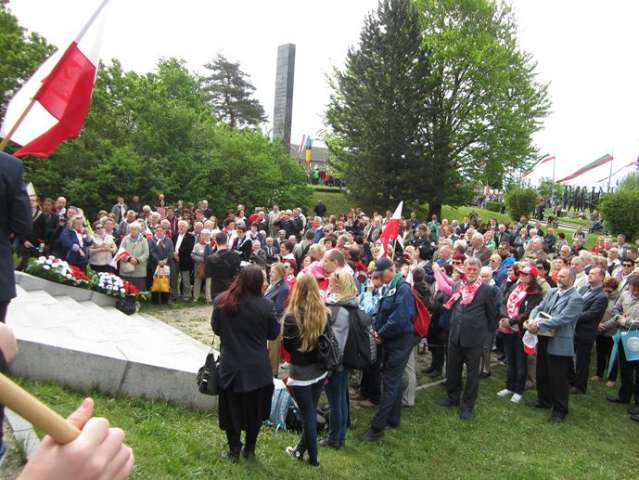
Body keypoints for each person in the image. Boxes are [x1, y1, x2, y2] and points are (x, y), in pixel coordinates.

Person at [212, 266, 279, 462]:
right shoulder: (266, 305)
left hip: (231, 365)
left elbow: (216, 328)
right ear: (256, 282)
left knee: (231, 409)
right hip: (257, 368)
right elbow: (273, 333)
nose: (266, 283)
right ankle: (249, 448)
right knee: (254, 411)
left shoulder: (222, 301)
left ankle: (234, 449)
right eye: (264, 279)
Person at [360, 257, 416, 441]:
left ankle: (377, 428)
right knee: (394, 381)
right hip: (392, 341)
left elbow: (399, 319)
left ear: (391, 270)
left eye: (381, 273)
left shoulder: (403, 289)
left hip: (399, 342)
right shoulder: (392, 286)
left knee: (390, 383)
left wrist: (380, 334)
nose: (379, 277)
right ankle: (393, 418)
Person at [438, 258, 497, 420]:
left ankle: (468, 405)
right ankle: (453, 398)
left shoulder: (487, 290)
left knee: (472, 375)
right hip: (455, 336)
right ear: (464, 269)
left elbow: (492, 315)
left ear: (478, 271)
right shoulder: (457, 285)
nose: (471, 272)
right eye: (468, 269)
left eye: (474, 270)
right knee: (452, 369)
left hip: (474, 339)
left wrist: (486, 337)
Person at [282, 273, 329, 467]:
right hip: (319, 369)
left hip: (301, 371)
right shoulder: (324, 313)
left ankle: (314, 459)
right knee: (310, 411)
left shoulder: (292, 316)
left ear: (297, 290)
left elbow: (289, 347)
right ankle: (300, 450)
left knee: (308, 415)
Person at [527, 267, 585, 422]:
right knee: (542, 371)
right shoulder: (552, 292)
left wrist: (539, 325)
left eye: (563, 276)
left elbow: (563, 319)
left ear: (572, 279)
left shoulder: (576, 299)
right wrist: (533, 320)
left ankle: (560, 410)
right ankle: (544, 400)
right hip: (544, 338)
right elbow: (538, 308)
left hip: (560, 341)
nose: (559, 278)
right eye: (558, 276)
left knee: (558, 378)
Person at [497, 265, 543, 403]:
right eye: (521, 274)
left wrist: (510, 322)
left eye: (526, 275)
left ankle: (519, 390)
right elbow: (505, 302)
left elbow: (528, 312)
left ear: (533, 278)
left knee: (520, 362)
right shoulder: (515, 287)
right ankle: (510, 386)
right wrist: (504, 318)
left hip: (520, 332)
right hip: (508, 329)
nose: (522, 276)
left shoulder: (535, 293)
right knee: (510, 360)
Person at [323, 270, 356, 449]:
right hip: (346, 359)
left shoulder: (336, 309)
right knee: (341, 399)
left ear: (337, 285)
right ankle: (339, 436)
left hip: (335, 361)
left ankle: (335, 438)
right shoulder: (352, 304)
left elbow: (332, 339)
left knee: (335, 401)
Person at [570, 266, 608, 394]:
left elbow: (591, 314)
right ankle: (571, 380)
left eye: (593, 274)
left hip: (585, 332)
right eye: (589, 273)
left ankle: (580, 386)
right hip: (574, 329)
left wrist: (571, 315)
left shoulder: (602, 296)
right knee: (570, 356)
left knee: (582, 360)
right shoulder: (583, 288)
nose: (589, 275)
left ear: (601, 278)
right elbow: (573, 302)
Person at [605, 274, 639, 415]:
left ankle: (638, 402)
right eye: (633, 288)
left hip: (636, 337)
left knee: (638, 372)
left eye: (638, 289)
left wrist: (625, 322)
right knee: (624, 367)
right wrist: (618, 317)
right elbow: (615, 309)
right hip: (624, 335)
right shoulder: (625, 294)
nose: (635, 291)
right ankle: (624, 395)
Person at [264, 263, 290, 376]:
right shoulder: (273, 284)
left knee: (273, 350)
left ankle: (273, 373)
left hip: (275, 321)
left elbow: (278, 308)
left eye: (273, 271)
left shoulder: (283, 288)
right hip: (268, 319)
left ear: (280, 273)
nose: (270, 273)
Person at [594, 277, 620, 387]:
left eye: (609, 291)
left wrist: (605, 325)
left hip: (612, 332)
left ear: (615, 290)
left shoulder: (618, 299)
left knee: (612, 356)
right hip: (599, 330)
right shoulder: (601, 298)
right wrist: (598, 324)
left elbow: (617, 316)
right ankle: (599, 374)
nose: (607, 293)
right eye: (605, 289)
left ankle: (611, 378)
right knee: (600, 353)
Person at [206, 232, 242, 300]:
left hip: (216, 289)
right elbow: (237, 274)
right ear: (227, 241)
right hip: (231, 288)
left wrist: (208, 296)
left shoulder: (210, 258)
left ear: (215, 241)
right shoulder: (235, 255)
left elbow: (208, 277)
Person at [119, 222, 149, 291]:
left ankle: (137, 301)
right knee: (125, 289)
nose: (133, 231)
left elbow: (146, 254)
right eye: (131, 229)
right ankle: (124, 301)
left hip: (139, 270)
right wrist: (129, 259)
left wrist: (138, 260)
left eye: (135, 229)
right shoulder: (125, 239)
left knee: (138, 289)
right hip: (126, 269)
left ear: (139, 230)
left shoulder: (144, 240)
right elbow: (121, 252)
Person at [172, 220, 195, 301]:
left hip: (185, 260)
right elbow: (172, 246)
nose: (181, 227)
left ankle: (186, 295)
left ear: (187, 227)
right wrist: (174, 255)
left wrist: (178, 255)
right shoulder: (174, 236)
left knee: (185, 279)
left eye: (183, 226)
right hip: (174, 260)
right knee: (174, 278)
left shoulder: (191, 237)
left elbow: (189, 249)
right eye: (180, 226)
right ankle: (174, 294)